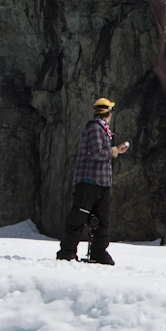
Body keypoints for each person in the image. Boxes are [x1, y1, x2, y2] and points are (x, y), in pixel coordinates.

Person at [57, 97, 131, 264]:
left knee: (101, 219)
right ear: (108, 112)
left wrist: (115, 150)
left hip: (101, 183)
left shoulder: (102, 129)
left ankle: (98, 252)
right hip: (89, 182)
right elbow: (97, 153)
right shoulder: (96, 129)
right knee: (79, 216)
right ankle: (67, 252)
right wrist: (114, 150)